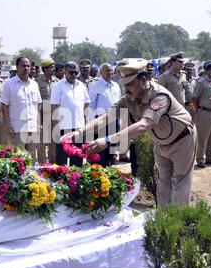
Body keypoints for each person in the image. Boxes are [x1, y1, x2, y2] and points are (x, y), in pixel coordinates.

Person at [62, 59, 197, 208]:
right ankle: (164, 220)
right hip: (161, 142)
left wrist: (107, 140)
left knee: (180, 185)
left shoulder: (159, 96)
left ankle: (177, 225)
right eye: (124, 84)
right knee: (163, 184)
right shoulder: (129, 98)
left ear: (143, 80)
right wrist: (79, 132)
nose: (126, 88)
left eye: (129, 84)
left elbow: (143, 125)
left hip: (182, 139)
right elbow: (106, 118)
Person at [1, 57, 42, 162]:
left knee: (32, 159)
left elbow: (37, 105)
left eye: (28, 66)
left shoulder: (34, 84)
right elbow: (4, 105)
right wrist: (8, 125)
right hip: (17, 128)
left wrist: (38, 124)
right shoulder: (8, 84)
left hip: (32, 127)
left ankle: (32, 178)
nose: (26, 68)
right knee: (18, 160)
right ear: (17, 67)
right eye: (23, 66)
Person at [51, 61, 90, 166]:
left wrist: (86, 125)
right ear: (65, 72)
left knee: (77, 159)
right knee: (62, 160)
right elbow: (54, 107)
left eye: (76, 73)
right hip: (63, 128)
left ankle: (75, 181)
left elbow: (86, 104)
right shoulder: (58, 86)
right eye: (71, 72)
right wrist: (55, 128)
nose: (74, 75)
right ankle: (61, 182)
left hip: (79, 127)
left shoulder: (81, 85)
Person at [88, 63, 121, 167]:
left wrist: (119, 122)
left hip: (114, 120)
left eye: (111, 70)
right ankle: (100, 174)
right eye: (107, 70)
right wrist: (93, 124)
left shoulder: (116, 85)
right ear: (101, 72)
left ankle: (110, 173)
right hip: (101, 121)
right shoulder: (95, 86)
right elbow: (91, 105)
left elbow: (120, 103)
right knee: (101, 151)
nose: (110, 72)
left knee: (112, 149)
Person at [192, 62, 211, 168]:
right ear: (207, 71)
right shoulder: (201, 82)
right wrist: (198, 110)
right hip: (204, 112)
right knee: (202, 138)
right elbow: (194, 99)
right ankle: (200, 159)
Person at [36, 58, 58, 164]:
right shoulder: (38, 82)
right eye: (51, 67)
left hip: (54, 113)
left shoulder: (57, 82)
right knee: (42, 141)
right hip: (42, 113)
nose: (54, 69)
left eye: (54, 67)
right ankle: (42, 163)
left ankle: (53, 163)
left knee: (54, 140)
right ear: (45, 69)